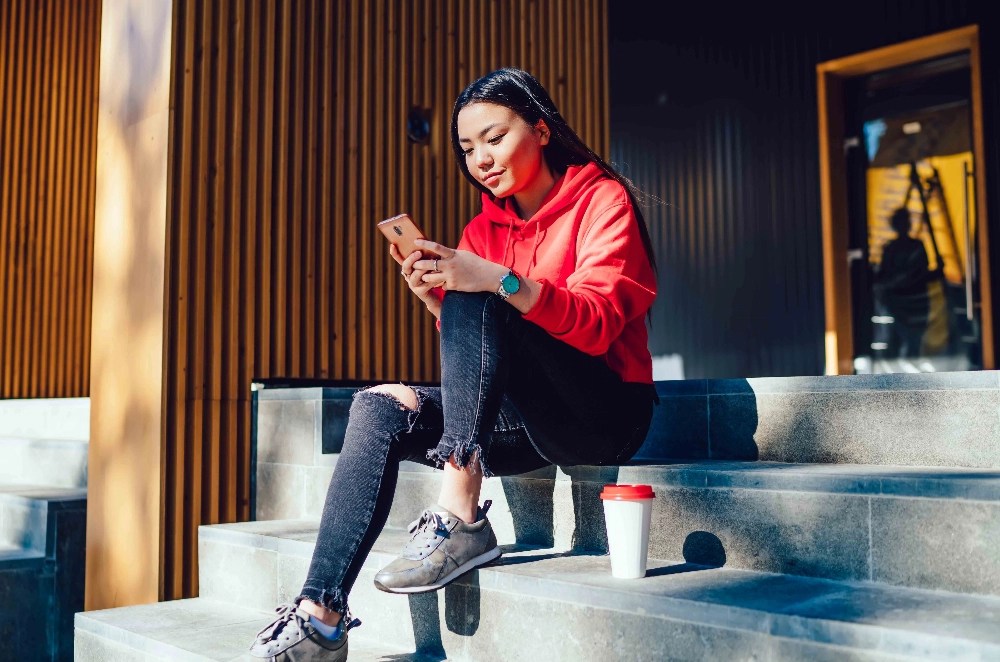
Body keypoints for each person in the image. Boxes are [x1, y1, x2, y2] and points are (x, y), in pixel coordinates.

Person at [249, 68, 658, 661]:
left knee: (480, 294)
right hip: (526, 419)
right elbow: (483, 349)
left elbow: (596, 325)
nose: (481, 159)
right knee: (380, 405)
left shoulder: (601, 200)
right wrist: (436, 298)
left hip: (605, 411)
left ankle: (460, 512)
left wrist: (495, 280)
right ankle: (319, 619)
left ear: (541, 130)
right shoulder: (482, 229)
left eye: (494, 137)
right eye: (468, 149)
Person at [874, 207, 933, 358]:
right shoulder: (890, 249)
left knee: (914, 341)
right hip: (898, 303)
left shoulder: (916, 247)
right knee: (899, 339)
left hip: (916, 301)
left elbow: (922, 272)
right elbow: (885, 276)